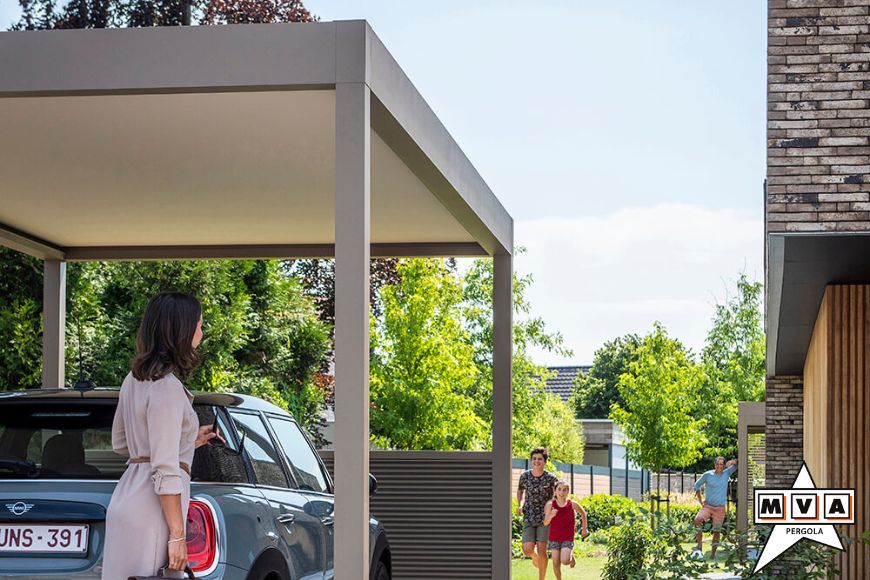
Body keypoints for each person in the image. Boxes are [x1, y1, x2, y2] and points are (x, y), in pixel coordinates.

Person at [102, 293, 220, 579]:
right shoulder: (166, 387)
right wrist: (178, 536)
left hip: (126, 498)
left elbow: (122, 442)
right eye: (199, 325)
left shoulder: (133, 380)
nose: (201, 333)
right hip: (152, 510)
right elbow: (165, 467)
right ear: (180, 330)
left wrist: (187, 442)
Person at [516, 447, 558, 580]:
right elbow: (520, 491)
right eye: (534, 458)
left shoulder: (551, 478)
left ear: (545, 461)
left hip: (545, 519)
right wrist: (520, 505)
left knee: (542, 550)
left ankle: (542, 578)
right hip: (529, 515)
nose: (536, 461)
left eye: (540, 459)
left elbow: (559, 494)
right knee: (527, 549)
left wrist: (553, 509)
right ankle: (534, 557)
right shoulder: (525, 476)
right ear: (531, 460)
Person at [692, 456, 737, 560]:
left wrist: (731, 462)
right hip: (708, 506)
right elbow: (697, 485)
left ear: (723, 465)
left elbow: (738, 463)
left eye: (721, 464)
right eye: (717, 464)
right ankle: (699, 547)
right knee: (697, 520)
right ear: (714, 464)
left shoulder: (727, 473)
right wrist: (700, 500)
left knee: (717, 531)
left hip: (720, 508)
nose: (719, 466)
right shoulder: (708, 475)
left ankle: (713, 555)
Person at [543, 479, 589, 580]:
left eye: (564, 490)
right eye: (559, 489)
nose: (561, 492)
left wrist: (584, 529)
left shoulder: (572, 504)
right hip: (554, 537)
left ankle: (570, 558)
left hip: (567, 537)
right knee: (555, 563)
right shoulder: (550, 505)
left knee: (564, 561)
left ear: (568, 491)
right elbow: (545, 522)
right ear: (555, 491)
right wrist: (551, 515)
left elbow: (583, 513)